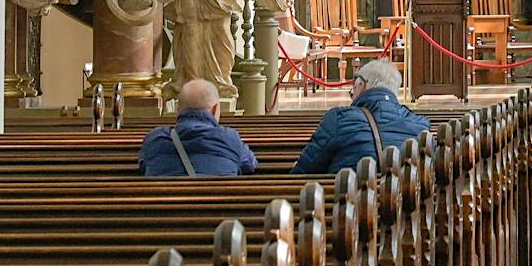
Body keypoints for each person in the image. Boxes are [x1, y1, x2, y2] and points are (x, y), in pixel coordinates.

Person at [292, 58, 430, 175]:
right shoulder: (419, 125)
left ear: (362, 85)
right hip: (405, 205)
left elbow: (304, 172)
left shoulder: (339, 119)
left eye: (353, 90)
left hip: (346, 204)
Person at [137, 79, 258, 177]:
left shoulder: (155, 139)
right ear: (215, 109)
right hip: (218, 205)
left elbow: (143, 165)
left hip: (164, 206)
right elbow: (250, 165)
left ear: (178, 109)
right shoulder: (229, 138)